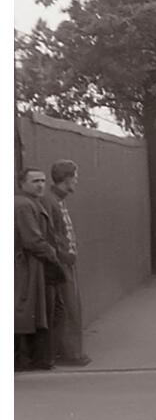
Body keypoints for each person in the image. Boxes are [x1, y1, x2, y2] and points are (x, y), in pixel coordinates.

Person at [41, 159, 92, 366]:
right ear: (67, 178)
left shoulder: (56, 200)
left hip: (65, 259)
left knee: (70, 305)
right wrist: (63, 255)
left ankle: (69, 350)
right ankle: (71, 352)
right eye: (75, 177)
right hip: (61, 261)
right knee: (69, 305)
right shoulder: (51, 201)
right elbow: (53, 234)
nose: (77, 181)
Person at [15, 168, 62, 371]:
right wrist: (53, 256)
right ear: (22, 183)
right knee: (31, 311)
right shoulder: (24, 205)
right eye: (35, 181)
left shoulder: (29, 203)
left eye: (42, 180)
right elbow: (33, 240)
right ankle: (32, 359)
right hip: (29, 266)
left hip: (33, 265)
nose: (40, 185)